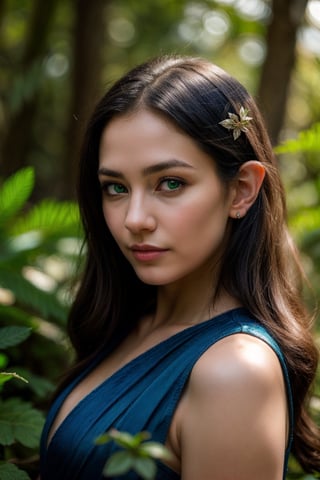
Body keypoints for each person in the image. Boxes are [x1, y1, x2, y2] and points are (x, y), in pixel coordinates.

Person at [39, 55, 320, 480]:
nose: (134, 219)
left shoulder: (235, 372)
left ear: (241, 191)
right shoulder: (130, 324)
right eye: (115, 187)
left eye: (170, 183)